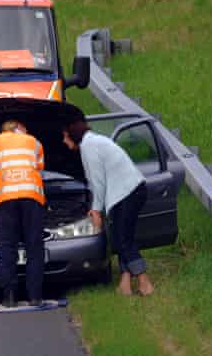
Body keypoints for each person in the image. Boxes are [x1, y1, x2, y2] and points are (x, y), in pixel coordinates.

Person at [63, 118, 155, 296]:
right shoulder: (94, 141)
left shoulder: (89, 147)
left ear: (73, 136)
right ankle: (125, 284)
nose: (64, 142)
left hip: (128, 192)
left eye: (66, 137)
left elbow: (98, 182)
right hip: (128, 191)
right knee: (121, 238)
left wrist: (96, 210)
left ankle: (145, 282)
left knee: (123, 240)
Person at [0, 120, 46, 307]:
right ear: (19, 128)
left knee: (7, 247)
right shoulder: (35, 142)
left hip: (6, 201)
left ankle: (9, 297)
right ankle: (35, 297)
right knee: (34, 247)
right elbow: (38, 170)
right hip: (32, 199)